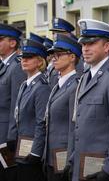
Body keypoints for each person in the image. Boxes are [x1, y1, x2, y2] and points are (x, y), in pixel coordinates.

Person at [68, 19, 109, 181]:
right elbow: (79, 122)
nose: (85, 49)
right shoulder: (86, 76)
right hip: (81, 162)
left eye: (92, 44)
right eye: (83, 45)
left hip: (100, 166)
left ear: (107, 46)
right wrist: (72, 157)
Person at [7, 39, 51, 181]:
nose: (24, 61)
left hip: (32, 151)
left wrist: (36, 152)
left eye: (29, 58)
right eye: (22, 58)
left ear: (39, 61)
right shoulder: (25, 85)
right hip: (22, 148)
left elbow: (41, 122)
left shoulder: (42, 86)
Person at [43, 34, 82, 181]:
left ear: (72, 57)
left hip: (63, 156)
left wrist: (70, 159)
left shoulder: (75, 86)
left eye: (59, 55)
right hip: (51, 155)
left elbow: (74, 125)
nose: (54, 58)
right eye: (53, 55)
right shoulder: (58, 85)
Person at [0, 23, 26, 181]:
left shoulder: (16, 67)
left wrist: (11, 136)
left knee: (7, 175)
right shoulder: (4, 66)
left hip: (6, 137)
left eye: (0, 39)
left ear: (12, 43)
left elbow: (16, 106)